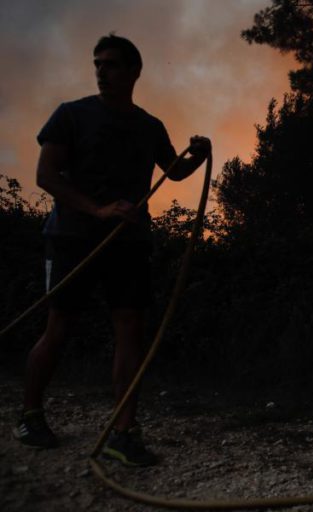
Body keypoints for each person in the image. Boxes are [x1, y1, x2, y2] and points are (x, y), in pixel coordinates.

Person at [12, 34, 211, 467]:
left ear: (135, 71)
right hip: (71, 238)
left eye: (113, 64)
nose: (102, 71)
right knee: (59, 326)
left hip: (130, 242)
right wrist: (97, 209)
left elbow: (173, 172)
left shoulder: (149, 125)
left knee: (130, 328)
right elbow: (46, 175)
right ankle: (29, 415)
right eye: (97, 63)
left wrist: (198, 155)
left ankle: (124, 433)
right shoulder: (72, 115)